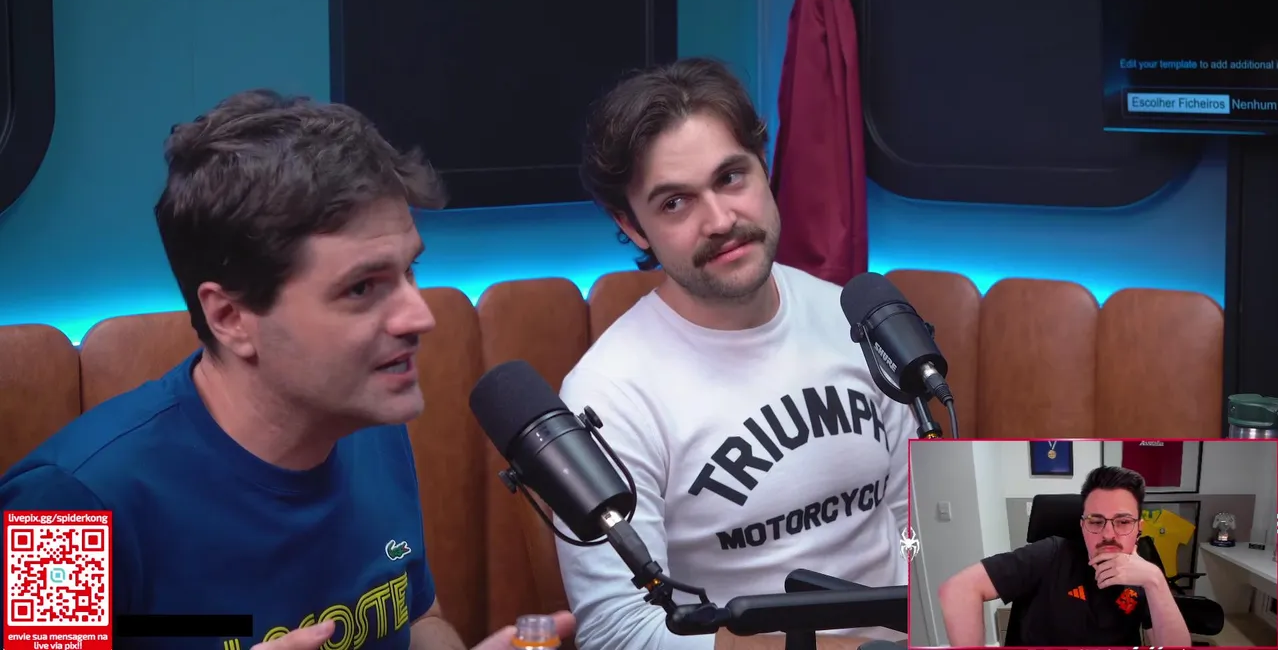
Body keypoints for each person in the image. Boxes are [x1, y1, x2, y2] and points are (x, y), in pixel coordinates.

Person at [0, 91, 574, 650]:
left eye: (409, 271)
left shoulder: (367, 421)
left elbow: (417, 618)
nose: (419, 316)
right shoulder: (61, 512)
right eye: (361, 288)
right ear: (230, 318)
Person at [551, 57, 914, 650]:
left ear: (762, 168)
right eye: (675, 203)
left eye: (730, 178)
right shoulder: (608, 394)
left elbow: (910, 521)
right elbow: (619, 633)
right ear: (633, 226)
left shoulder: (855, 316)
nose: (720, 220)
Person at [937, 466, 1191, 647]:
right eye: (1096, 521)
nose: (1108, 534)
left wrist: (1155, 580)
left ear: (1139, 528)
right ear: (1082, 526)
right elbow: (958, 590)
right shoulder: (1051, 554)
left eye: (1123, 521)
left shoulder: (1144, 577)